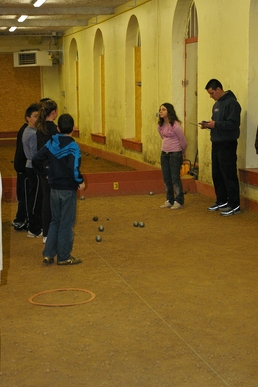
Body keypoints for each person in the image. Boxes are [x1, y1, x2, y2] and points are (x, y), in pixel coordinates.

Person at [32, 113, 85, 266]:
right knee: (67, 223)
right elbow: (74, 168)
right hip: (68, 189)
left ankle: (48, 254)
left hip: (54, 188)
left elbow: (36, 159)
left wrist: (45, 173)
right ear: (73, 128)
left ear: (58, 128)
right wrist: (80, 181)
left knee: (55, 221)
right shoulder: (74, 147)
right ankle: (64, 256)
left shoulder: (51, 143)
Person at [201, 79, 241, 216]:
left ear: (218, 89)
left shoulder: (232, 103)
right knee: (217, 174)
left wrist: (215, 125)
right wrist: (208, 125)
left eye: (212, 93)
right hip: (216, 143)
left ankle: (234, 204)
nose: (211, 96)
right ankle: (222, 200)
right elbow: (217, 123)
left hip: (227, 144)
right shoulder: (217, 104)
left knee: (228, 174)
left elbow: (233, 124)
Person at [36, 99, 58, 244]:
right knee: (54, 201)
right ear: (54, 113)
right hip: (52, 169)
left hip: (43, 168)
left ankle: (46, 233)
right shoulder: (54, 129)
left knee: (46, 200)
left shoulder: (40, 128)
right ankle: (52, 232)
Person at [158, 103, 187, 209]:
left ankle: (179, 200)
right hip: (164, 154)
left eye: (163, 109)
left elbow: (183, 142)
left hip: (175, 154)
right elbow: (163, 138)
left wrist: (181, 153)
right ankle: (169, 199)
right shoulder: (160, 126)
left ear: (169, 111)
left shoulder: (176, 126)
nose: (161, 111)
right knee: (166, 178)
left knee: (175, 178)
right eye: (160, 109)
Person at [22, 103, 43, 237]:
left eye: (38, 116)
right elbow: (35, 154)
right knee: (35, 198)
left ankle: (34, 226)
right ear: (28, 118)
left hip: (30, 167)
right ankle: (34, 229)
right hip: (33, 168)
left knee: (33, 197)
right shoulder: (32, 134)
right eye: (35, 116)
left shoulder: (28, 131)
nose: (37, 119)